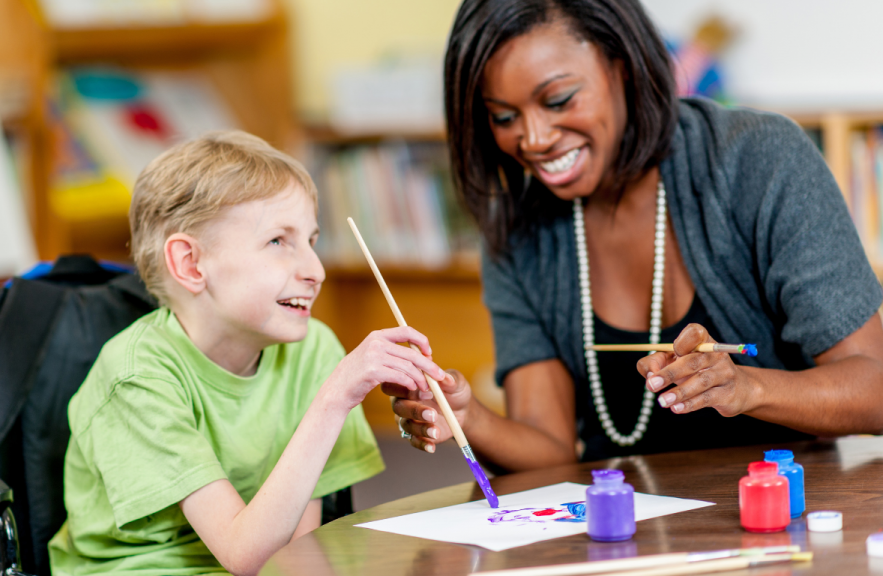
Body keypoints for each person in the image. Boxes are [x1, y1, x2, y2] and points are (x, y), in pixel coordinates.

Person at [388, 0, 883, 466]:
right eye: (504, 116)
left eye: (558, 99)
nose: (534, 139)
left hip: (780, 520)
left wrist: (746, 388)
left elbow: (875, 387)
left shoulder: (760, 160)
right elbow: (550, 449)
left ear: (622, 64)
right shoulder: (519, 229)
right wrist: (466, 415)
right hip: (618, 534)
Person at [48, 131, 448, 575]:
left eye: (312, 241)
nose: (315, 271)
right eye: (279, 241)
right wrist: (335, 397)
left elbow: (296, 554)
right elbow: (246, 556)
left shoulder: (313, 350)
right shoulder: (137, 376)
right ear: (191, 265)